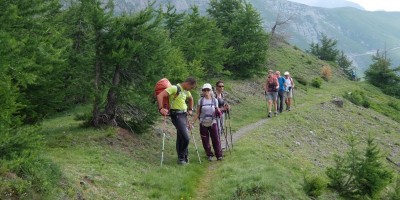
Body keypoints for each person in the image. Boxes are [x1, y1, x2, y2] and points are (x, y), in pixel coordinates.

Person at [157, 77, 197, 165]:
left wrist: (190, 109)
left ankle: (183, 158)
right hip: (176, 115)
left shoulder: (186, 91)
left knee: (181, 136)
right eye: (191, 87)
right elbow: (160, 95)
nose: (191, 89)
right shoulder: (175, 88)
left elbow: (191, 99)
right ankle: (182, 158)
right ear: (188, 83)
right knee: (186, 138)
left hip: (184, 115)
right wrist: (161, 108)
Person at [192, 83, 223, 161]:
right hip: (203, 123)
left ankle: (219, 155)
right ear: (202, 91)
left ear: (211, 91)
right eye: (204, 90)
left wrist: (219, 111)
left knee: (216, 139)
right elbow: (198, 113)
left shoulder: (214, 100)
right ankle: (209, 155)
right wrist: (192, 122)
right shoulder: (201, 101)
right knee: (205, 141)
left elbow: (217, 109)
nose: (206, 91)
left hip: (213, 122)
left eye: (208, 90)